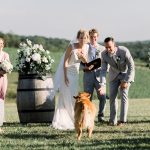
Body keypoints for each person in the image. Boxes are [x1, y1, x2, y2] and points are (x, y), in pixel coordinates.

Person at [52, 29, 89, 130]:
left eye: (85, 37)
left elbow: (86, 62)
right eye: (81, 37)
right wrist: (65, 76)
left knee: (74, 96)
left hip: (75, 74)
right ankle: (63, 120)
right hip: (67, 73)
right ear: (78, 38)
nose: (82, 39)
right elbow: (65, 62)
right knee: (65, 96)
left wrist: (83, 57)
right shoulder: (71, 46)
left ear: (87, 39)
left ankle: (74, 118)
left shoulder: (86, 47)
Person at [99, 37, 135, 126]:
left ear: (114, 45)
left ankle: (122, 120)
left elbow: (131, 66)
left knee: (123, 94)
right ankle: (112, 120)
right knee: (112, 97)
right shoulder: (104, 54)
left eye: (110, 47)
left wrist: (126, 81)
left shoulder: (124, 51)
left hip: (125, 74)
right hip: (113, 75)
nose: (108, 49)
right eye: (106, 47)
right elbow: (103, 70)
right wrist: (102, 84)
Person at [81, 28, 106, 122]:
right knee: (87, 98)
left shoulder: (102, 49)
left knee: (102, 97)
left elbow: (106, 63)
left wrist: (105, 71)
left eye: (95, 37)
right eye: (91, 37)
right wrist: (84, 68)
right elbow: (79, 63)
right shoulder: (84, 47)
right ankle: (88, 116)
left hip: (100, 76)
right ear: (89, 37)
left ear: (97, 37)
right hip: (88, 76)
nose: (93, 39)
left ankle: (101, 115)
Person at [0, 38, 10, 132]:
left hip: (3, 79)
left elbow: (8, 67)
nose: (1, 45)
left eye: (2, 43)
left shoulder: (6, 55)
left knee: (2, 98)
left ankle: (1, 119)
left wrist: (4, 70)